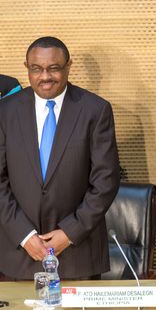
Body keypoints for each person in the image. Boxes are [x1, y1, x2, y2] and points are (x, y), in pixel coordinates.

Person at [0, 36, 120, 279]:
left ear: (68, 66)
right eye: (37, 69)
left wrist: (69, 233)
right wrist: (24, 235)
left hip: (78, 254)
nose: (45, 76)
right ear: (27, 68)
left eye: (54, 68)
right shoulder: (5, 111)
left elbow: (105, 181)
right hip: (18, 256)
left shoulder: (95, 110)